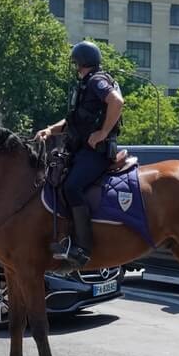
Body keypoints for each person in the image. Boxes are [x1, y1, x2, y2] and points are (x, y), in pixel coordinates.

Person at [35, 41, 124, 267]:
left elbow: (116, 101)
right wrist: (50, 130)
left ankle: (83, 248)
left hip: (96, 152)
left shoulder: (96, 80)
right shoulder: (87, 84)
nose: (74, 67)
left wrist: (103, 132)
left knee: (71, 186)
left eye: (75, 63)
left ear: (80, 62)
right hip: (82, 149)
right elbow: (75, 120)